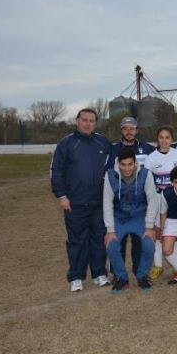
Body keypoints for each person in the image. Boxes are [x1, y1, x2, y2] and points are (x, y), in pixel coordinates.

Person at [50, 108, 111, 292]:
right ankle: (76, 276)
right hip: (74, 203)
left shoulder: (103, 142)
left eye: (91, 120)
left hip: (99, 203)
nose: (87, 123)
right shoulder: (66, 143)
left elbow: (113, 170)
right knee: (77, 241)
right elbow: (56, 171)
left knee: (99, 239)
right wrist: (61, 196)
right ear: (77, 120)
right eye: (84, 120)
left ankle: (99, 273)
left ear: (95, 123)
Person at [107, 116, 156, 278]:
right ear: (121, 130)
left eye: (132, 128)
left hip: (139, 205)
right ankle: (117, 274)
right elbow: (110, 176)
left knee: (139, 242)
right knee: (118, 242)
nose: (129, 131)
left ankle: (138, 270)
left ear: (137, 130)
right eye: (125, 128)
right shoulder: (112, 149)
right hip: (120, 206)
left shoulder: (147, 149)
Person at [103, 148, 157, 293]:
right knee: (111, 245)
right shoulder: (110, 176)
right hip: (119, 217)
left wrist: (149, 226)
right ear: (118, 163)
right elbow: (107, 203)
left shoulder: (146, 174)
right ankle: (121, 277)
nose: (127, 168)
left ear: (135, 163)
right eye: (123, 165)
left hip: (139, 216)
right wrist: (110, 230)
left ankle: (142, 275)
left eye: (130, 164)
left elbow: (153, 200)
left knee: (149, 244)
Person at [144, 126, 177, 281]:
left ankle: (176, 266)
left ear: (171, 139)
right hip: (157, 200)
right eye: (161, 137)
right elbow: (147, 183)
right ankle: (158, 266)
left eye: (167, 137)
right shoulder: (151, 158)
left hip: (174, 199)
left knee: (175, 234)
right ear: (157, 140)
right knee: (158, 233)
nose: (164, 140)